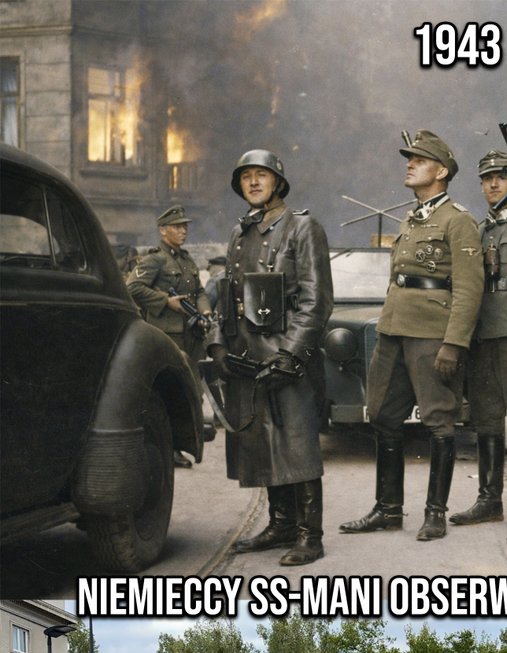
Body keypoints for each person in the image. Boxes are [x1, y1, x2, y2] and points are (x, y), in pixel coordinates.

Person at [339, 130, 483, 541]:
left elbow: (469, 290)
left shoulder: (458, 222)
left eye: (419, 159)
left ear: (441, 171)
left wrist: (453, 343)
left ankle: (435, 513)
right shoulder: (411, 218)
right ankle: (388, 509)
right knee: (383, 415)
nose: (410, 163)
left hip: (431, 335)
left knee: (439, 421)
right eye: (409, 158)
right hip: (394, 331)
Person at [208, 149, 333, 566]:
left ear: (278, 182)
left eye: (262, 175)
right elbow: (226, 292)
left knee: (296, 444)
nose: (254, 183)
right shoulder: (239, 232)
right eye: (246, 177)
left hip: (285, 354)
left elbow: (316, 301)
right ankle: (280, 525)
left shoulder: (302, 228)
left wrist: (291, 353)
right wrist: (218, 343)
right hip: (246, 353)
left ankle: (309, 536)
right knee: (262, 442)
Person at [448, 150, 507, 529]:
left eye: (502, 176)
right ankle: (489, 500)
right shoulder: (479, 230)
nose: (494, 184)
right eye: (487, 179)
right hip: (483, 334)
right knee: (486, 419)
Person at [127, 206, 213, 467]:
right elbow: (133, 288)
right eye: (177, 226)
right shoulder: (155, 260)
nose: (183, 230)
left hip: (191, 336)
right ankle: (170, 449)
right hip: (167, 337)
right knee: (170, 392)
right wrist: (166, 301)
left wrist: (205, 309)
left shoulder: (187, 260)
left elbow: (198, 291)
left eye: (185, 226)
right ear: (162, 231)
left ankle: (185, 443)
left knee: (192, 392)